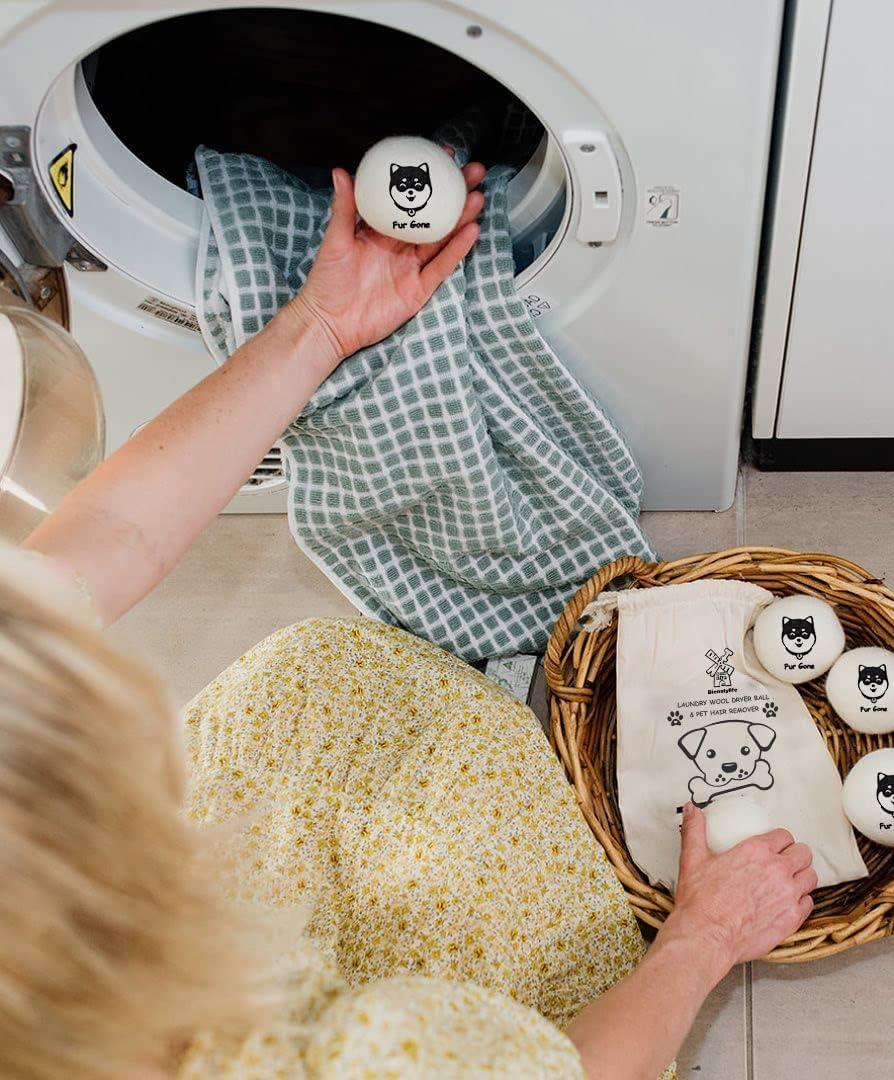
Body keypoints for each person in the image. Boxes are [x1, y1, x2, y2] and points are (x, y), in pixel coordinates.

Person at [0, 160, 816, 1080]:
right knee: (552, 957)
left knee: (313, 689)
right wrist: (704, 936)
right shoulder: (328, 1052)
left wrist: (320, 326)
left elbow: (108, 537)